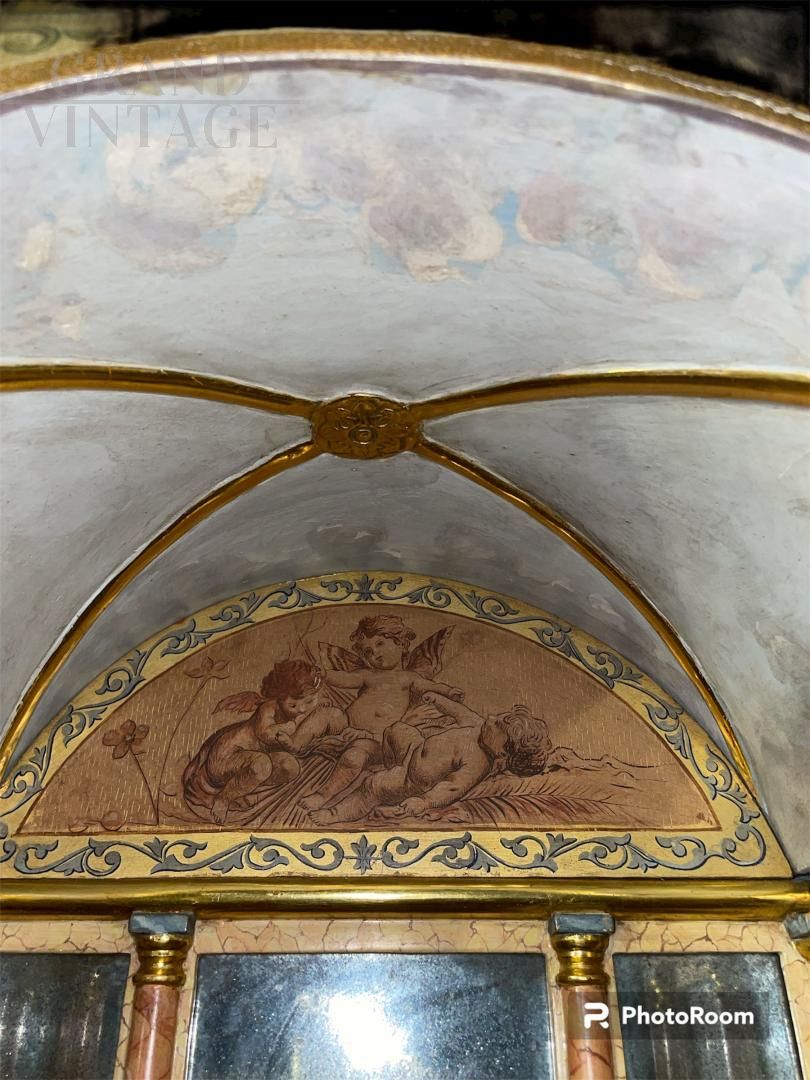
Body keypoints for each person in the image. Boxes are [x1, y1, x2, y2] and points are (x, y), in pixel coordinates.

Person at [310, 691, 552, 825]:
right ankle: (388, 764)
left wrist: (424, 801)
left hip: (413, 780)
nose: (490, 718)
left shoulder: (478, 764)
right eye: (498, 717)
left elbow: (451, 788)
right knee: (397, 730)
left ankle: (334, 814)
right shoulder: (478, 726)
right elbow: (459, 711)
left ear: (503, 751)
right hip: (413, 749)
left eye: (497, 725)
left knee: (373, 785)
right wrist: (439, 700)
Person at [301, 614, 462, 813]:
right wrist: (324, 674)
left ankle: (322, 795)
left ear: (401, 644)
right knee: (328, 713)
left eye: (380, 644)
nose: (374, 653)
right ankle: (296, 745)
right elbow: (345, 678)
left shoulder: (408, 677)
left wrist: (449, 691)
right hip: (346, 728)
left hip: (376, 741)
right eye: (368, 651)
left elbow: (429, 686)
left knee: (353, 757)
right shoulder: (367, 675)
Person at [183, 659, 355, 824]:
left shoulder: (304, 709)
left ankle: (245, 789)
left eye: (309, 701)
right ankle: (223, 799)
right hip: (226, 759)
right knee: (262, 764)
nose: (302, 709)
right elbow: (265, 733)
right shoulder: (269, 708)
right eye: (293, 705)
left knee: (290, 767)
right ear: (280, 698)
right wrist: (291, 727)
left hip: (253, 760)